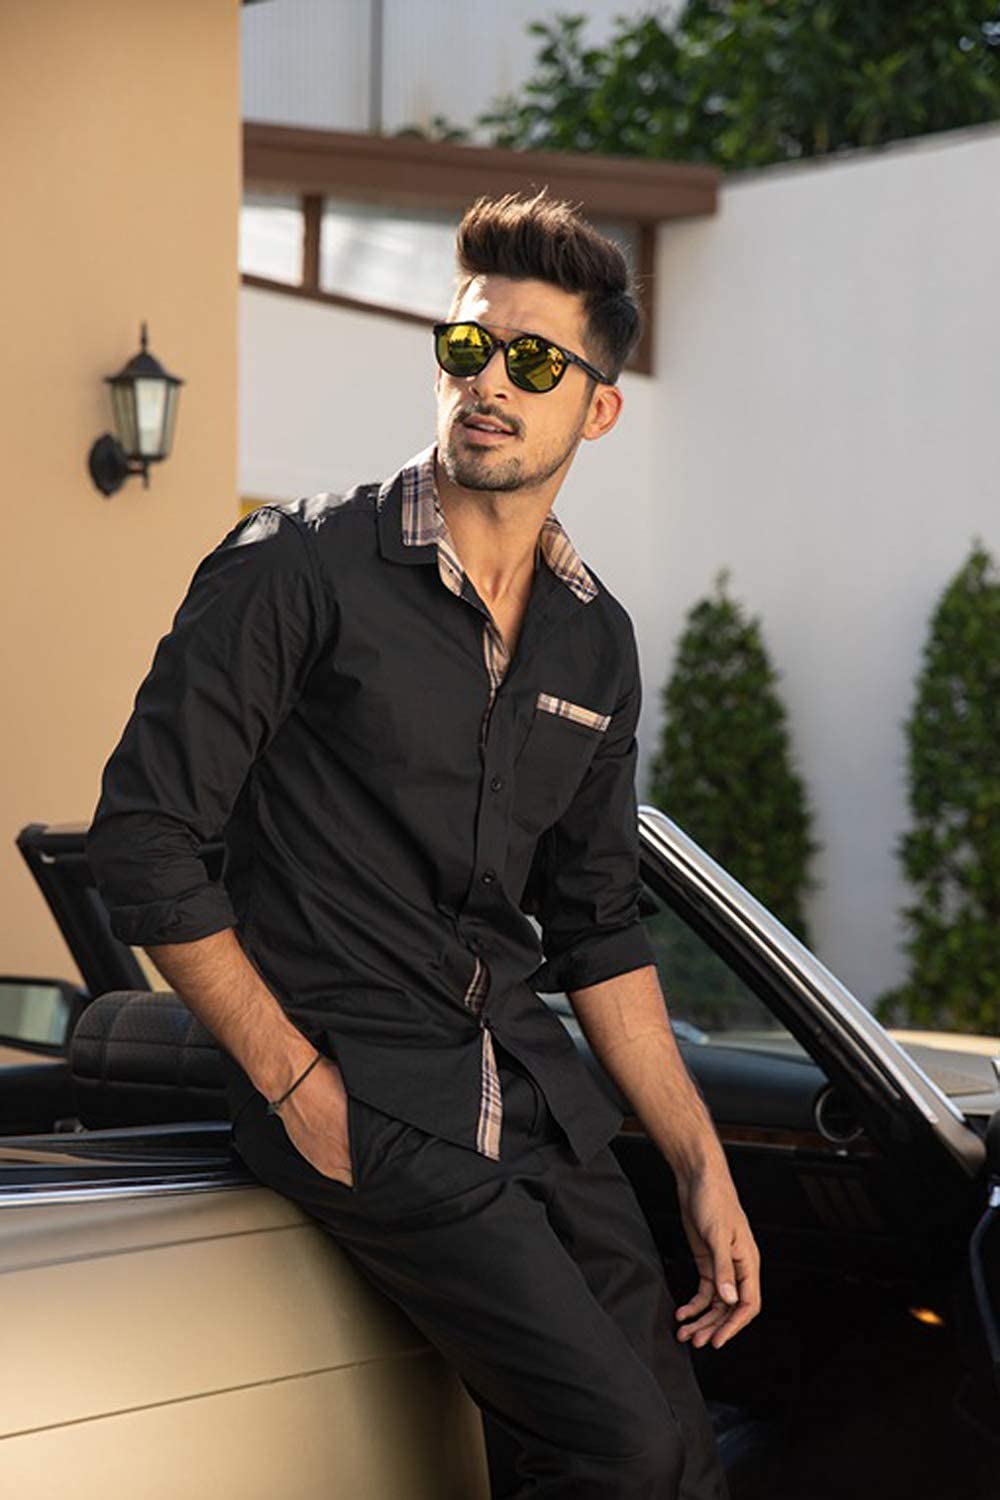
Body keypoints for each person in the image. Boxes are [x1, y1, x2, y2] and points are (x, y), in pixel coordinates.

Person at [86, 188, 759, 1498]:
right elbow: (146, 841)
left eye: (534, 361)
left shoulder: (594, 639)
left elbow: (600, 926)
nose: (490, 381)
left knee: (683, 1452)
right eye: (467, 346)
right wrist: (299, 1089)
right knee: (616, 1450)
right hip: (365, 1091)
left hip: (535, 1098)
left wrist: (699, 1162)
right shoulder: (296, 567)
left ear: (599, 409)